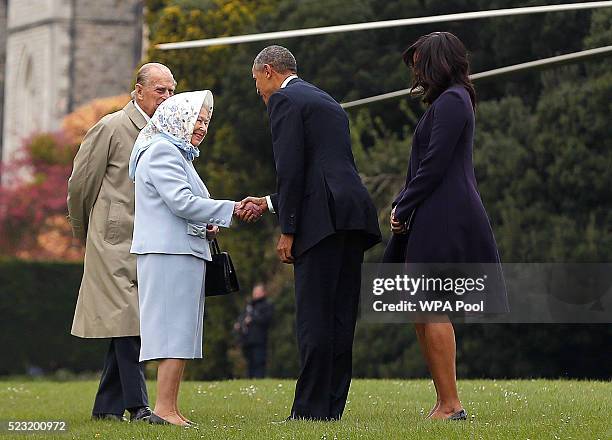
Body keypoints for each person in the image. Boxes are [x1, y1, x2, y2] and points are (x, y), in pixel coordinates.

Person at [243, 45, 382, 421]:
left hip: (320, 223)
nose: (260, 93)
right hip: (351, 216)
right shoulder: (326, 101)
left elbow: (292, 170)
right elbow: (323, 169)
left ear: (269, 71)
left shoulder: (285, 100)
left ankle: (307, 411)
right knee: (340, 317)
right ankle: (331, 407)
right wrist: (272, 203)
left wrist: (288, 229)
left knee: (314, 319)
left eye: (258, 84)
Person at [385, 32, 508, 420]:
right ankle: (442, 402)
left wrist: (402, 205)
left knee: (432, 304)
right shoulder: (446, 102)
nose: (416, 69)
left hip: (446, 214)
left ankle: (452, 403)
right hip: (432, 212)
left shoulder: (454, 101)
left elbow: (434, 164)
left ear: (438, 61)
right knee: (421, 307)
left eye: (420, 61)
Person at [128, 90, 259, 426]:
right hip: (168, 253)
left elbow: (182, 207)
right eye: (197, 119)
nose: (202, 126)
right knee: (172, 329)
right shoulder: (161, 152)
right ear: (177, 117)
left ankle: (169, 407)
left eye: (205, 121)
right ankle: (163, 409)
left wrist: (209, 222)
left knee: (181, 329)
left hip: (180, 250)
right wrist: (230, 208)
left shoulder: (177, 154)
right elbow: (181, 202)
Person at [67, 63, 176, 422]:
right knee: (130, 323)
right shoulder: (111, 127)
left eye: (171, 91)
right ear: (139, 91)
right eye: (160, 90)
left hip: (150, 240)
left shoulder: (166, 134)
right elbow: (80, 186)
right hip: (112, 242)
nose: (167, 97)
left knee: (128, 322)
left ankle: (106, 409)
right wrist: (86, 234)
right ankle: (139, 405)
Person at [234, 283, 274, 378]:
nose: (255, 294)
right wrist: (239, 324)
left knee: (259, 362)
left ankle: (259, 380)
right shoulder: (250, 305)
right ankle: (250, 381)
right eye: (254, 292)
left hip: (259, 339)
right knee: (249, 363)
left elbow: (267, 319)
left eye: (257, 292)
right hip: (247, 340)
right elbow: (242, 316)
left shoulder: (267, 305)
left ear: (263, 292)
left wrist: (253, 319)